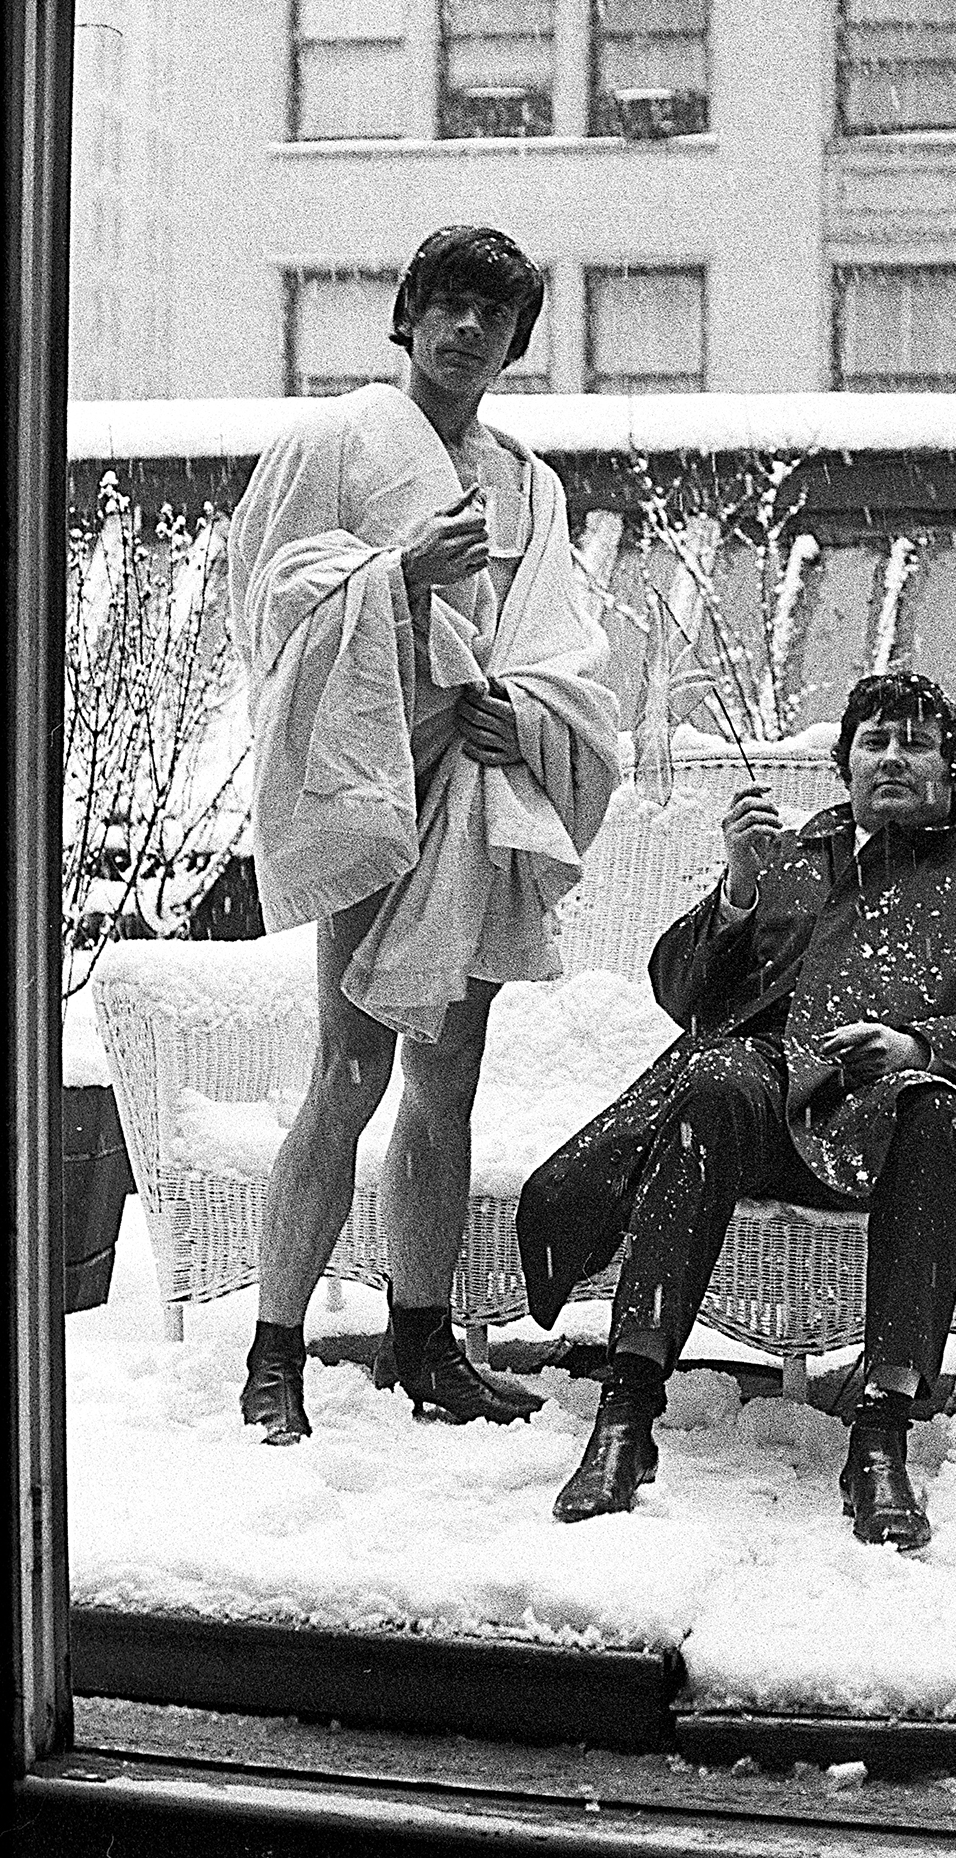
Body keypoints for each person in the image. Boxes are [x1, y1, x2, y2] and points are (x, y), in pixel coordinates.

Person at [517, 671, 956, 1547]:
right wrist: (736, 893)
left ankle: (881, 1439)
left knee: (930, 1108)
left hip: (907, 1125)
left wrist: (920, 1046)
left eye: (915, 742)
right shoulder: (787, 862)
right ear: (844, 763)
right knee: (712, 1080)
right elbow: (685, 997)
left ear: (952, 770)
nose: (891, 758)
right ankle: (625, 1416)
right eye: (873, 742)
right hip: (774, 1115)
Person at [228, 226, 621, 1445]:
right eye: (446, 306)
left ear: (515, 344)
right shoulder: (330, 440)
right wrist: (393, 575)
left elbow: (559, 637)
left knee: (445, 1078)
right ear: (406, 314)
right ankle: (274, 1348)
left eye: (492, 318)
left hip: (473, 791)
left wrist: (529, 716)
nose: (466, 332)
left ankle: (422, 1339)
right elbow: (270, 599)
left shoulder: (527, 481)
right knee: (347, 1068)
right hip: (369, 784)